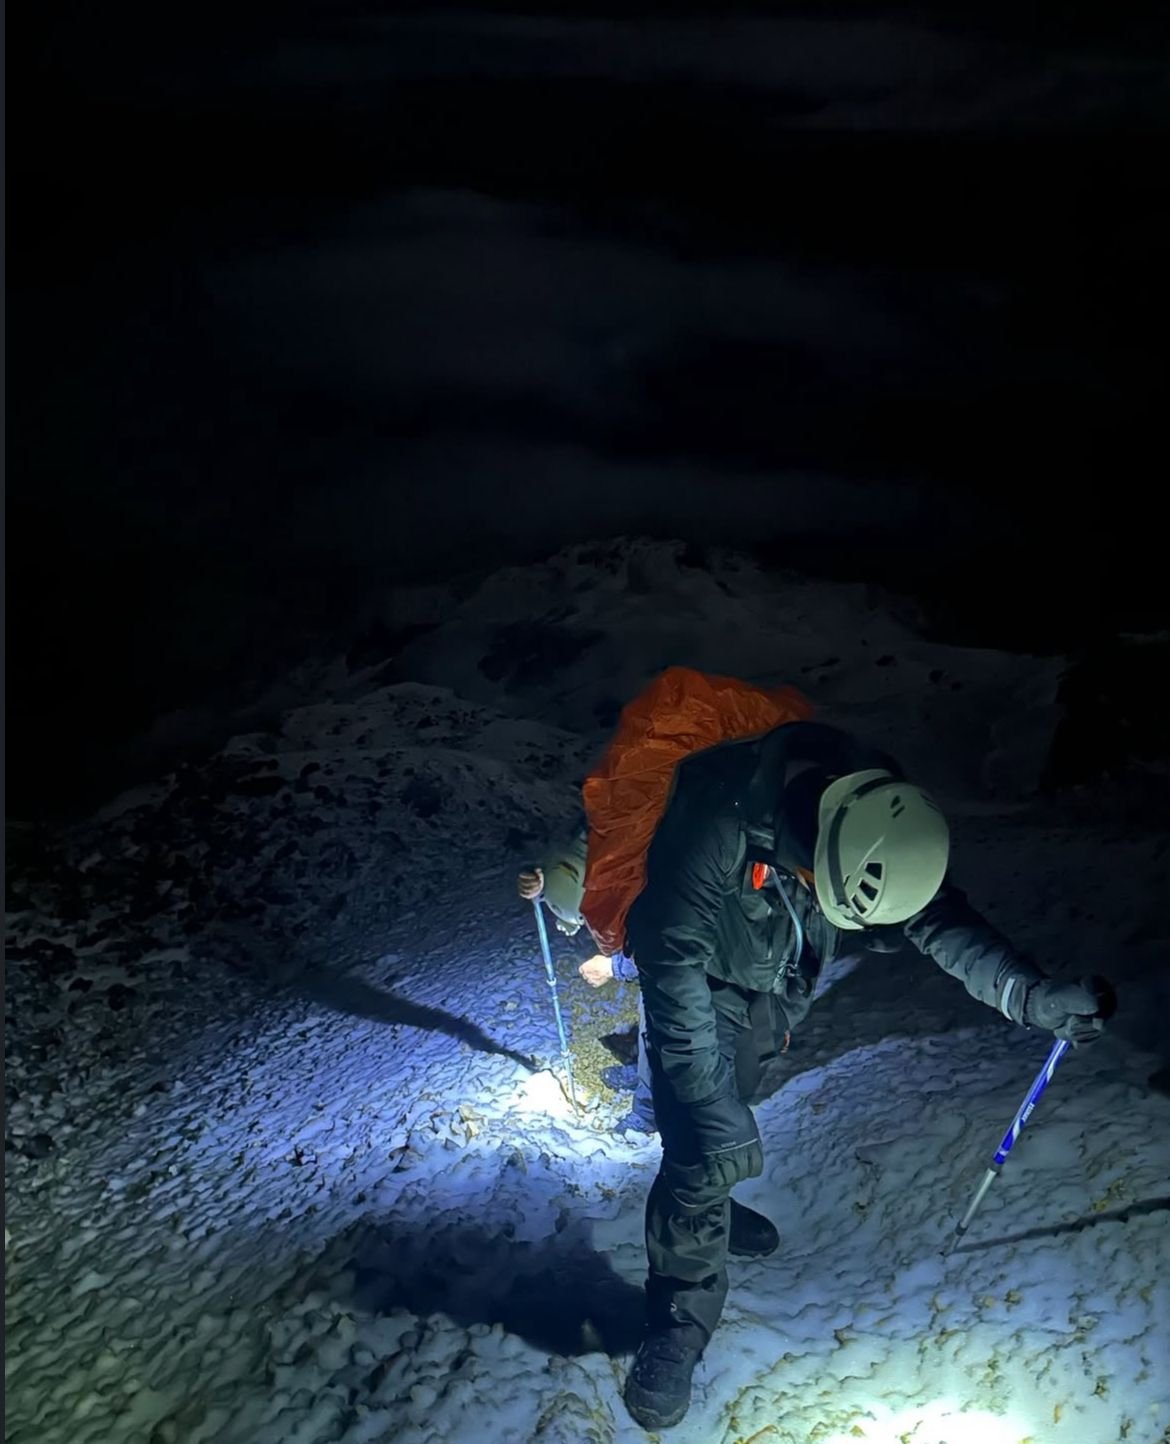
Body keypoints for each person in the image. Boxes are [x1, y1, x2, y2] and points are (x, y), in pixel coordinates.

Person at [619, 717, 1117, 1431]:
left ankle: (712, 1212)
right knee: (704, 1138)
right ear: (813, 859)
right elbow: (670, 956)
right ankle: (678, 1319)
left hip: (772, 985)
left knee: (731, 1114)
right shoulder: (718, 814)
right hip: (702, 982)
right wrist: (703, 1102)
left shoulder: (876, 814)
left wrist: (1027, 993)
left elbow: (936, 915)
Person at [517, 833, 657, 1135]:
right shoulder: (609, 830)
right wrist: (546, 884)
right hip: (650, 920)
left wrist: (615, 966)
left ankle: (653, 1111)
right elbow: (577, 859)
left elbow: (674, 948)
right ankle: (648, 1075)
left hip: (711, 965)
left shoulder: (664, 860)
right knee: (653, 1009)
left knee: (674, 1020)